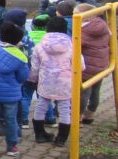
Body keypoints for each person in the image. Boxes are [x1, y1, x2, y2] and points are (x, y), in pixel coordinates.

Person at [30, 17, 81, 148]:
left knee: (41, 106)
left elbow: (34, 67)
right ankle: (61, 139)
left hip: (45, 82)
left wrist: (33, 79)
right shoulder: (72, 45)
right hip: (65, 83)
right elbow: (81, 65)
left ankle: (40, 134)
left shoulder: (40, 45)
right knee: (65, 109)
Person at [0, 22, 30, 156]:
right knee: (11, 119)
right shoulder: (20, 56)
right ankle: (12, 146)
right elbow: (23, 77)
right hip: (12, 95)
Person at [74, 3, 111, 125]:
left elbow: (75, 44)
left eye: (76, 14)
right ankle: (90, 114)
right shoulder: (102, 25)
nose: (73, 16)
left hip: (88, 66)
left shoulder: (84, 30)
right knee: (95, 91)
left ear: (85, 16)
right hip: (101, 64)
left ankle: (77, 117)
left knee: (84, 92)